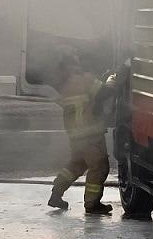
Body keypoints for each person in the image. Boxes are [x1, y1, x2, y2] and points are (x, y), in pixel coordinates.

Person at [48, 51, 118, 215]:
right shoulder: (84, 80)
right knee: (99, 167)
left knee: (77, 164)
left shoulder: (65, 86)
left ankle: (56, 194)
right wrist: (113, 78)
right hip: (90, 134)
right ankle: (92, 204)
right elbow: (105, 93)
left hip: (76, 134)